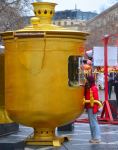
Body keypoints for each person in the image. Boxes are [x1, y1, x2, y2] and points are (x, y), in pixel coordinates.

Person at [84, 75, 101, 143]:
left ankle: (96, 138)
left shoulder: (93, 88)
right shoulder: (89, 87)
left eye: (87, 80)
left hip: (92, 107)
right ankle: (94, 137)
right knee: (92, 123)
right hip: (89, 107)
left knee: (93, 122)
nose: (86, 81)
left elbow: (96, 99)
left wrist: (95, 109)